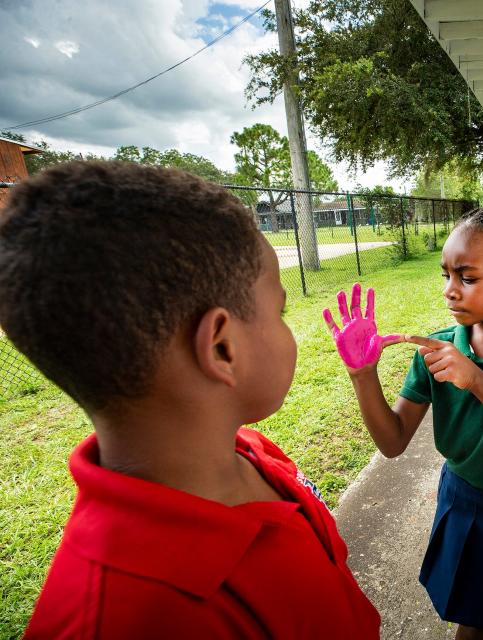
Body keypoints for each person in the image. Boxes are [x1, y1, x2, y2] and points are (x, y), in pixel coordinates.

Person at [0, 161, 380, 639]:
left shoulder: (253, 452)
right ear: (222, 348)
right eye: (280, 311)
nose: (286, 326)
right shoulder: (118, 621)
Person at [324, 193, 483, 640]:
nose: (449, 289)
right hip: (466, 506)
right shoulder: (435, 352)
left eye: (466, 277)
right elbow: (392, 443)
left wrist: (477, 380)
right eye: (446, 275)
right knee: (474, 617)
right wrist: (362, 376)